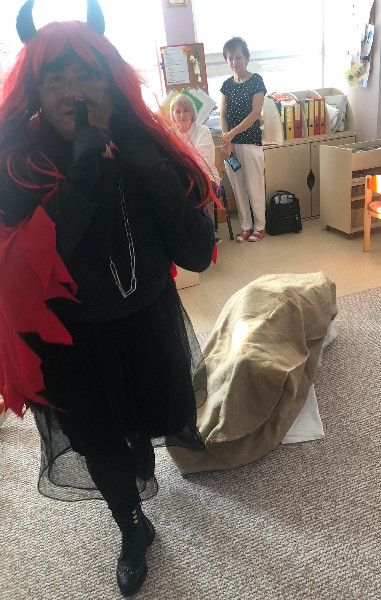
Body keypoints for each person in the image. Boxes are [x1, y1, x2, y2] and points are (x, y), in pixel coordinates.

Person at [0, 1, 214, 597]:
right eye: (57, 79)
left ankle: (136, 473)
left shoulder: (149, 147)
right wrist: (81, 175)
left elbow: (197, 252)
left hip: (147, 322)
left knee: (148, 424)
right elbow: (24, 274)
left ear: (110, 81)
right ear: (37, 89)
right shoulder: (17, 165)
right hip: (70, 341)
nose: (74, 93)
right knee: (99, 444)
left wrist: (147, 166)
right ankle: (131, 527)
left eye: (87, 75)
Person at [220, 36, 267, 242]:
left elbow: (255, 113)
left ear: (246, 58)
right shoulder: (226, 85)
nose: (234, 62)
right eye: (230, 58)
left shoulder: (256, 80)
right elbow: (223, 115)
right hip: (232, 146)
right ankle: (246, 226)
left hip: (250, 143)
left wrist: (231, 134)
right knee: (238, 188)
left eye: (238, 57)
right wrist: (227, 141)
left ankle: (260, 226)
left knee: (254, 186)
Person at [170, 93, 222, 243]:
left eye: (186, 110)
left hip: (206, 178)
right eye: (178, 111)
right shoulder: (169, 133)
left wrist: (179, 163)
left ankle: (207, 229)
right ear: (173, 114)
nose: (182, 115)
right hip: (179, 179)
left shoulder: (202, 131)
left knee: (191, 191)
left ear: (192, 112)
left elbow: (203, 161)